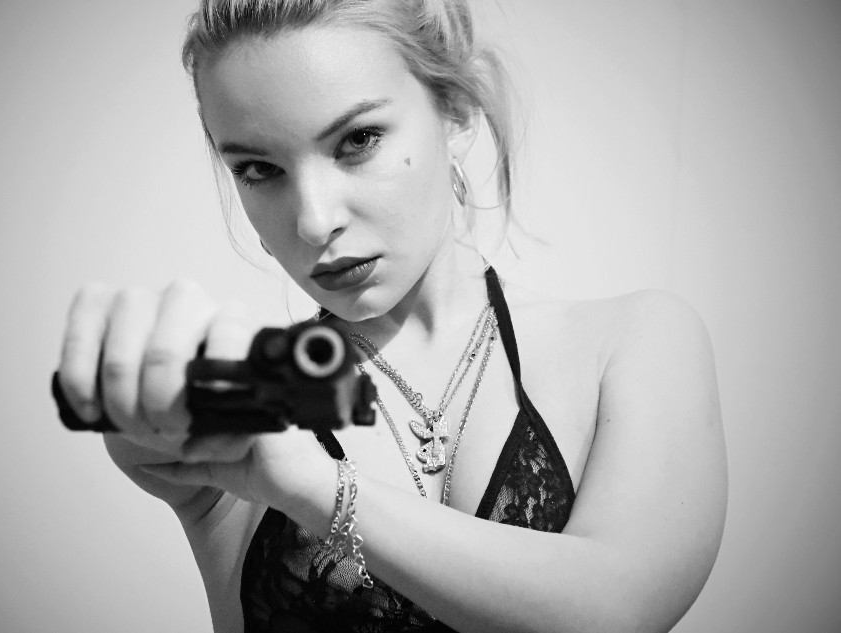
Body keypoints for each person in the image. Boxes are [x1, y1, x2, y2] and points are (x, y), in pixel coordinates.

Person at [55, 1, 727, 631]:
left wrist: (317, 486)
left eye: (358, 140)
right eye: (259, 169)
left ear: (455, 110)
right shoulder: (248, 405)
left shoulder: (630, 344)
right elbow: (152, 425)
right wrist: (141, 391)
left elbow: (616, 606)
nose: (314, 219)